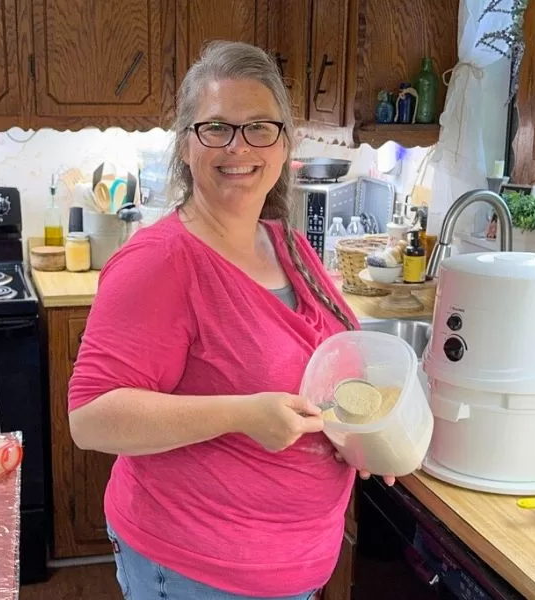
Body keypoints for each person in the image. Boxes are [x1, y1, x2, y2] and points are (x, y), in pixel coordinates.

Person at [68, 40, 394, 600]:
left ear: (284, 143)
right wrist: (242, 414)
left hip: (294, 565)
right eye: (216, 128)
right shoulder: (161, 263)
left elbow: (327, 369)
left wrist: (363, 435)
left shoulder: (289, 246)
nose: (238, 147)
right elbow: (91, 418)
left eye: (259, 127)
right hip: (196, 571)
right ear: (186, 146)